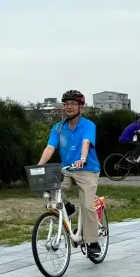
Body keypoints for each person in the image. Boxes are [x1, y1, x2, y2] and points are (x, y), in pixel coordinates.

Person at [36, 89, 102, 259]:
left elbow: (86, 142)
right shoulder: (58, 128)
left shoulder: (88, 125)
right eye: (66, 104)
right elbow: (50, 148)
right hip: (67, 170)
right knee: (50, 186)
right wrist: (38, 166)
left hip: (87, 169)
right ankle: (68, 208)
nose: (69, 107)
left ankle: (93, 242)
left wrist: (82, 158)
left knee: (87, 205)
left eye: (74, 104)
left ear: (81, 107)